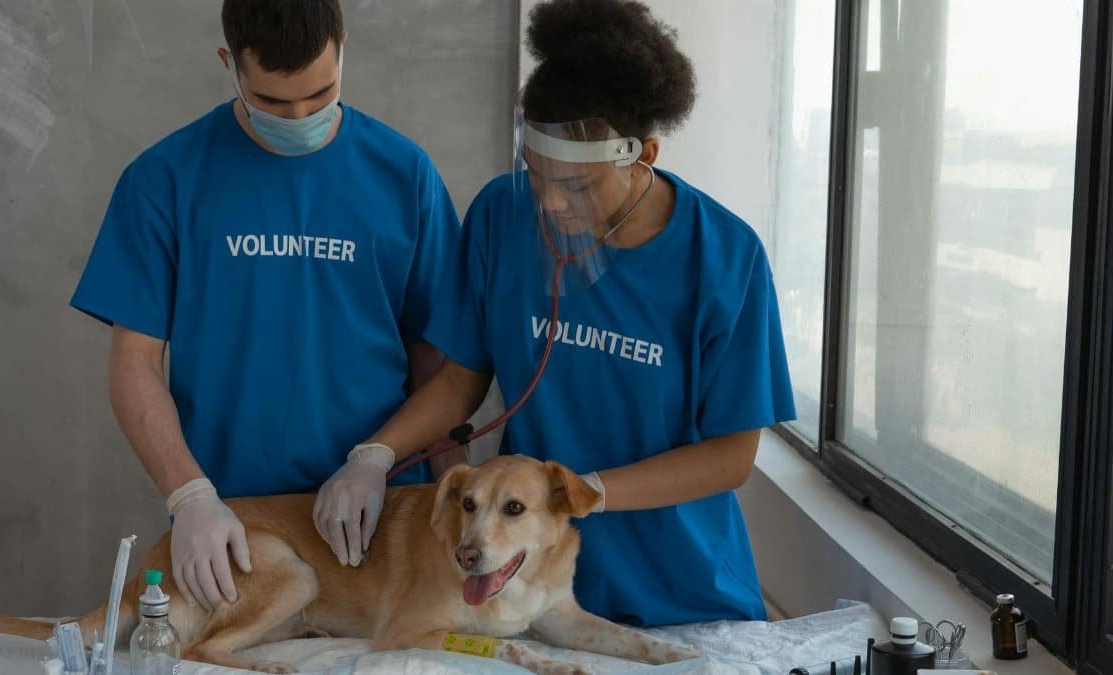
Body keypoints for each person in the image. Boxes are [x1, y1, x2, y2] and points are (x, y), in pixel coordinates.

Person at [315, 0, 796, 626]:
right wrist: (374, 455)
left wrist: (589, 494)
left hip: (683, 592)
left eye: (576, 186)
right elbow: (461, 380)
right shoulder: (501, 216)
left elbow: (732, 457)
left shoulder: (725, 260)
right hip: (534, 589)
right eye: (536, 175)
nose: (549, 205)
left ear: (642, 156)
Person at [70, 0, 459, 613]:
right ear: (230, 64)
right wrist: (189, 496)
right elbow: (135, 364)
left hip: (381, 524)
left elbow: (441, 368)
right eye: (275, 103)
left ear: (343, 48)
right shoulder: (164, 180)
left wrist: (430, 492)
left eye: (321, 93)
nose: (301, 115)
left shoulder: (405, 176)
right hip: (238, 532)